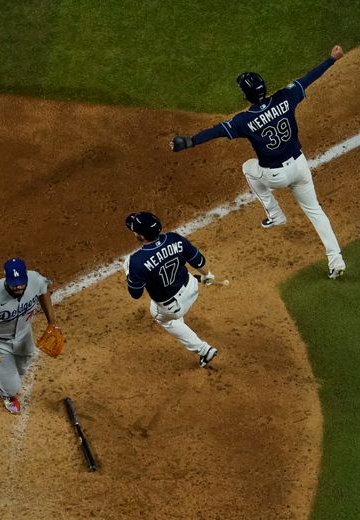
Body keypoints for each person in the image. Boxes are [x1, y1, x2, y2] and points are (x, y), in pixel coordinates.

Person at [170, 45, 347, 279]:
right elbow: (309, 78)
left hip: (275, 175)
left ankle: (275, 214)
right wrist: (331, 59)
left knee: (248, 168)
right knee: (315, 211)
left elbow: (216, 131)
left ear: (245, 96)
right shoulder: (286, 96)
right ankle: (336, 261)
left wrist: (190, 141)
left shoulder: (244, 120)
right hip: (300, 165)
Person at [124, 212, 218, 368]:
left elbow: (136, 294)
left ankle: (204, 350)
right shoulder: (175, 238)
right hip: (192, 288)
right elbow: (198, 261)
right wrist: (208, 275)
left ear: (141, 237)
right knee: (179, 274)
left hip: (172, 308)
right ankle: (196, 281)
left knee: (163, 318)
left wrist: (128, 272)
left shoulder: (136, 262)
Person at [0, 258, 58, 414]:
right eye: (14, 283)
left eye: (22, 282)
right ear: (5, 279)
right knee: (12, 388)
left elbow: (44, 291)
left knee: (22, 368)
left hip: (24, 334)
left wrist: (52, 323)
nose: (19, 286)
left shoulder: (35, 279)